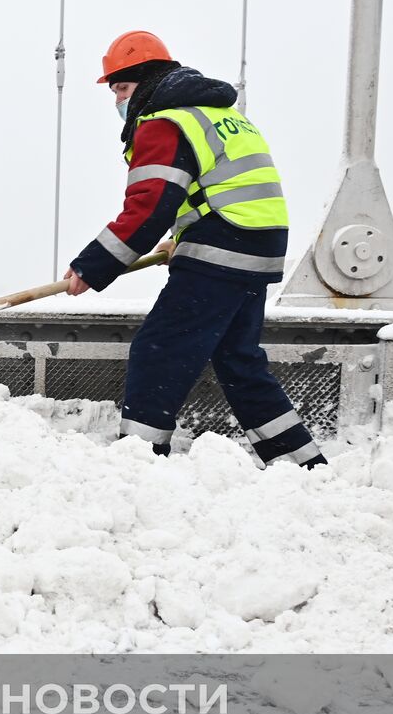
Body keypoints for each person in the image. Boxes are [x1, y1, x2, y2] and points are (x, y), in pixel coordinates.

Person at [65, 30, 325, 468]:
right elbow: (219, 189)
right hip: (255, 247)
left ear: (148, 81)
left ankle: (139, 461)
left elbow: (149, 207)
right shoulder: (221, 116)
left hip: (222, 248)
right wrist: (184, 238)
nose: (118, 102)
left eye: (123, 89)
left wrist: (93, 266)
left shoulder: (165, 122)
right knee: (238, 360)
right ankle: (302, 463)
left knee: (159, 349)